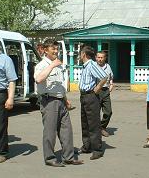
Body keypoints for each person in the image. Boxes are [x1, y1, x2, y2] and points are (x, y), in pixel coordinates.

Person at [34, 39, 83, 167]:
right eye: (53, 49)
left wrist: (66, 100)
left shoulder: (59, 65)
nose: (56, 51)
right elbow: (39, 79)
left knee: (66, 130)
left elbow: (60, 85)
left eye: (57, 49)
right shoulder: (42, 65)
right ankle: (50, 158)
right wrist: (51, 66)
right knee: (50, 131)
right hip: (49, 101)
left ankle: (69, 157)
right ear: (45, 50)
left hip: (61, 101)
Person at [78, 45, 108, 160]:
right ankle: (87, 146)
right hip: (84, 97)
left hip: (91, 96)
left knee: (93, 124)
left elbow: (105, 76)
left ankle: (97, 149)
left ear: (83, 54)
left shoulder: (91, 65)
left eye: (80, 53)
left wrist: (98, 87)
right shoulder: (85, 66)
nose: (79, 55)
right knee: (85, 123)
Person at [96, 51, 114, 137]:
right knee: (95, 112)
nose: (100, 59)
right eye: (98, 57)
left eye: (101, 57)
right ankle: (95, 129)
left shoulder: (108, 66)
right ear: (96, 58)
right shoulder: (93, 67)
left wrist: (111, 84)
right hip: (96, 91)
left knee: (108, 111)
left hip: (106, 91)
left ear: (104, 58)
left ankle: (102, 127)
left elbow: (110, 77)